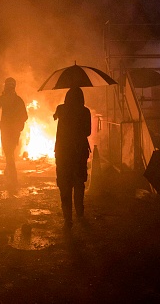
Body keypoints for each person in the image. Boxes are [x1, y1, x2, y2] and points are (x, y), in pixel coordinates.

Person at [53, 87, 92, 230]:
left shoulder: (61, 109)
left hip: (63, 152)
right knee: (79, 182)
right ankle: (80, 211)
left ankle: (67, 218)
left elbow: (54, 116)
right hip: (79, 152)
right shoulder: (85, 111)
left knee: (64, 185)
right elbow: (88, 132)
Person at [0, 77, 28, 186]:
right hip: (14, 130)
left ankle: (13, 177)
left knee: (9, 153)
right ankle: (9, 173)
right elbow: (25, 116)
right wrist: (20, 125)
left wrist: (0, 123)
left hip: (6, 130)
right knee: (10, 152)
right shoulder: (18, 99)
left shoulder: (2, 98)